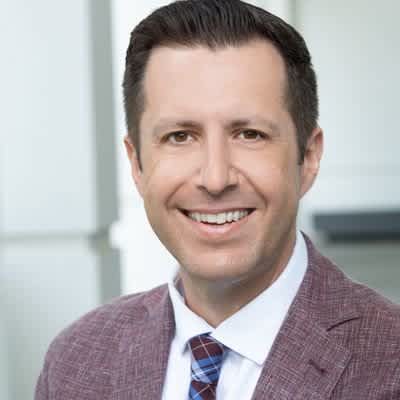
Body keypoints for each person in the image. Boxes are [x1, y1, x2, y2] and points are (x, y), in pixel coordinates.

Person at [35, 1, 400, 399]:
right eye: (180, 136)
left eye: (249, 134)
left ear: (308, 158)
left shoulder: (390, 359)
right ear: (137, 164)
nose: (215, 178)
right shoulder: (74, 361)